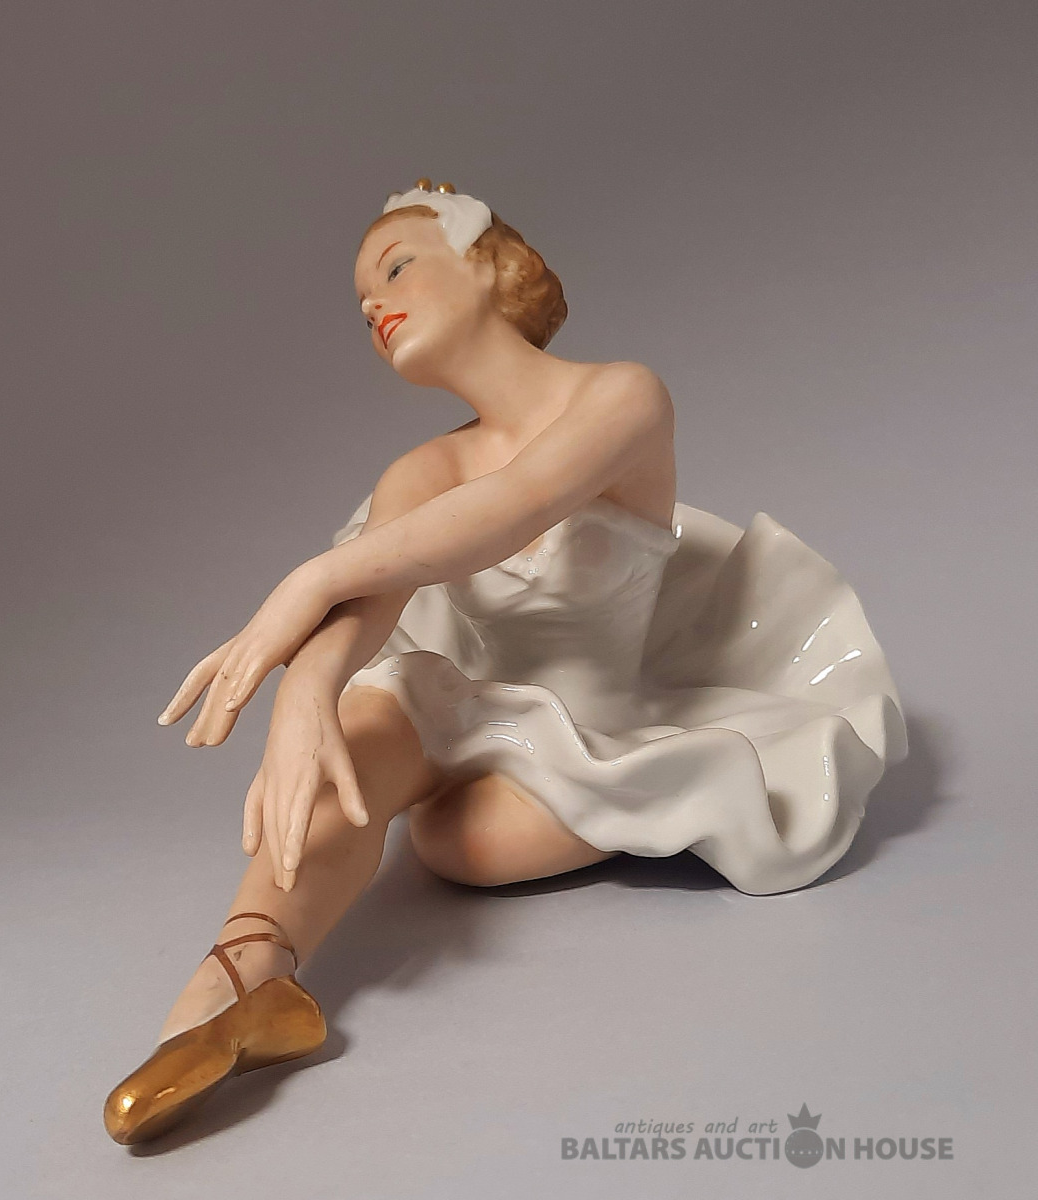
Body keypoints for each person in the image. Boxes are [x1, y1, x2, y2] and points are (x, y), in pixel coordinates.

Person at [104, 180, 907, 1145]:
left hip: (595, 729)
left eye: (396, 267)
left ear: (486, 265)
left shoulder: (622, 396)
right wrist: (307, 686)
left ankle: (270, 969)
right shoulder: (421, 470)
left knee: (459, 847)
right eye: (361, 300)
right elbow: (377, 603)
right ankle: (238, 979)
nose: (375, 304)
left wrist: (303, 583)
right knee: (364, 722)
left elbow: (512, 507)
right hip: (469, 707)